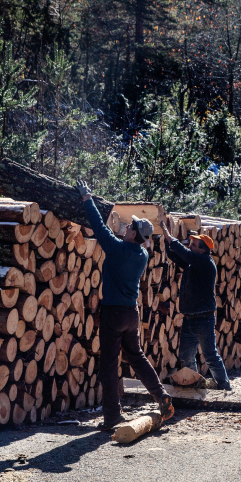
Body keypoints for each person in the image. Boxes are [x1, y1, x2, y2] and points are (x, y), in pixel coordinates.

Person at [76, 180, 174, 430]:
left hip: (113, 313)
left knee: (109, 364)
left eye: (130, 226)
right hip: (131, 313)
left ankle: (112, 416)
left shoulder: (118, 249)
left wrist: (88, 200)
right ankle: (160, 395)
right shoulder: (142, 255)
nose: (126, 226)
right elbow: (121, 236)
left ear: (133, 234)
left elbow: (99, 228)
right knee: (137, 357)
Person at [161, 220, 232, 391]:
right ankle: (193, 385)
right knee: (186, 357)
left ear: (202, 250)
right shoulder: (193, 263)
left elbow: (185, 254)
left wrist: (170, 237)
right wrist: (166, 239)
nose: (190, 246)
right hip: (190, 318)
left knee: (210, 356)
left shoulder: (205, 263)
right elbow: (175, 256)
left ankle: (224, 386)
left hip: (204, 319)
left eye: (193, 245)